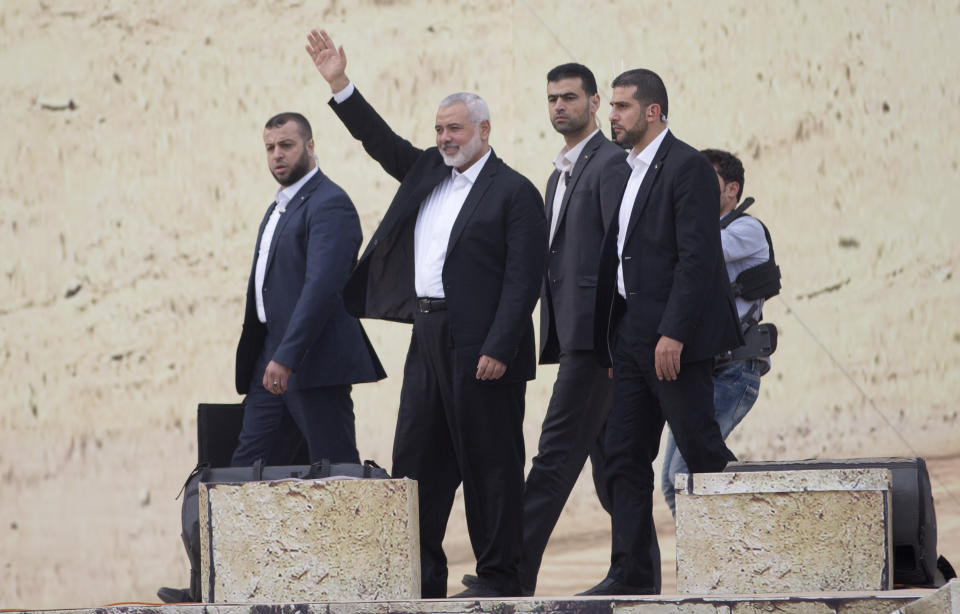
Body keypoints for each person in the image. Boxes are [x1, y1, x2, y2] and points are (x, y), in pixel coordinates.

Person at [305, 29, 547, 598]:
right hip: (428, 334)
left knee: (490, 465)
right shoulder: (428, 173)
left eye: (454, 128)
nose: (444, 138)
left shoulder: (515, 193)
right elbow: (379, 140)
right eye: (438, 129)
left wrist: (499, 346)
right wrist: (340, 84)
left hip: (483, 345)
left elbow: (524, 282)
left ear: (483, 131)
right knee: (415, 463)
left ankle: (499, 578)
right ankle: (422, 580)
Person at [581, 69, 742, 596]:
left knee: (701, 452)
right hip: (629, 341)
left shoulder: (688, 165)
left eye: (623, 107)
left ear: (652, 111)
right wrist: (615, 338)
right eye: (613, 108)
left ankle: (735, 565)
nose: (612, 116)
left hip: (674, 343)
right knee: (624, 457)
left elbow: (697, 258)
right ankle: (630, 576)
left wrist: (672, 332)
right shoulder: (627, 170)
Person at [231, 112, 386, 467]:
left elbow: (322, 288)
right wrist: (273, 354)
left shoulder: (330, 203)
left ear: (310, 146)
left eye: (286, 145)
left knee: (334, 471)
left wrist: (287, 356)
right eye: (270, 148)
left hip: (313, 361)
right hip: (269, 359)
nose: (277, 155)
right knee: (246, 472)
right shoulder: (278, 207)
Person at [660, 149, 774, 516]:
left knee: (687, 474)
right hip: (705, 372)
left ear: (732, 190)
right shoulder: (701, 231)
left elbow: (700, 249)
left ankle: (739, 545)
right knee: (673, 481)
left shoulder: (747, 230)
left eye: (708, 182)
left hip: (734, 372)